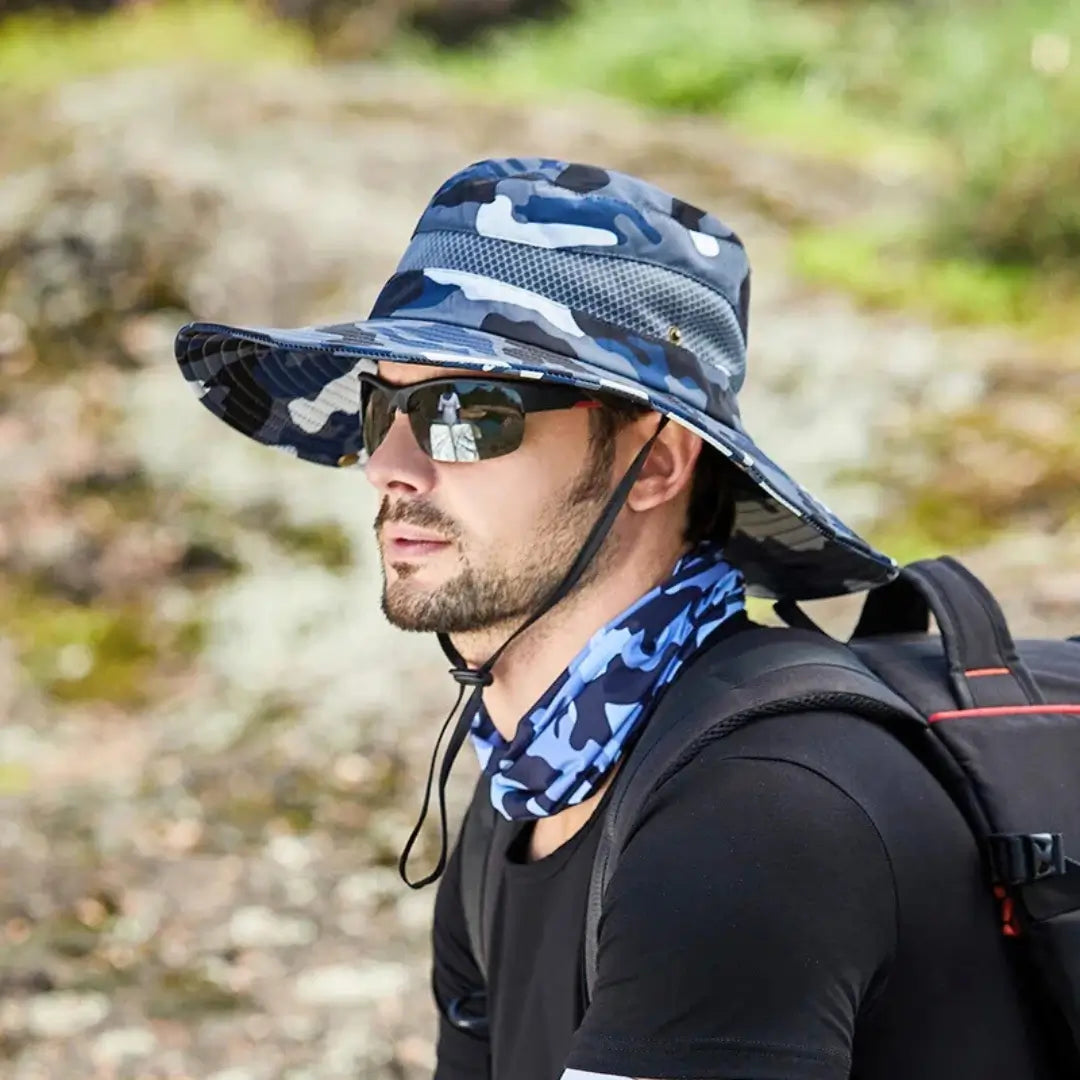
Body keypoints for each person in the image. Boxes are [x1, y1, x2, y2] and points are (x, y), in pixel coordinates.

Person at [174, 159, 1055, 1080]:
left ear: (660, 463)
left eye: (467, 413)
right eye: (381, 403)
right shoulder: (517, 799)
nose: (388, 466)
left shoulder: (756, 812)